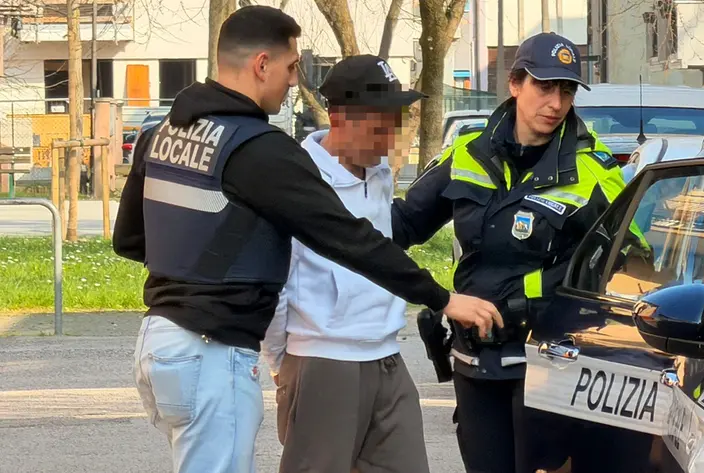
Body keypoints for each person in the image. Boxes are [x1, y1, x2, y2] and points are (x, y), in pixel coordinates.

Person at [112, 6, 502, 473]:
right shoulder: (258, 148)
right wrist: (441, 298)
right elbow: (347, 238)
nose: (295, 81)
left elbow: (131, 240)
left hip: (163, 344)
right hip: (213, 350)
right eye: (293, 66)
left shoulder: (163, 133)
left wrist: (204, 262)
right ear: (262, 64)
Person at [391, 32, 648, 473]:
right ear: (515, 84)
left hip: (550, 363)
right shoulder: (466, 153)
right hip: (476, 361)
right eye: (544, 87)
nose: (555, 102)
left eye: (566, 90)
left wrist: (542, 298)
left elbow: (634, 264)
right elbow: (399, 226)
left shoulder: (594, 169)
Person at [261, 54, 432, 473]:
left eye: (396, 121)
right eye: (380, 123)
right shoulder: (297, 177)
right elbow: (274, 281)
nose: (390, 137)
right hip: (324, 358)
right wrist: (283, 362)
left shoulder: (380, 174)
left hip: (386, 353)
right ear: (341, 117)